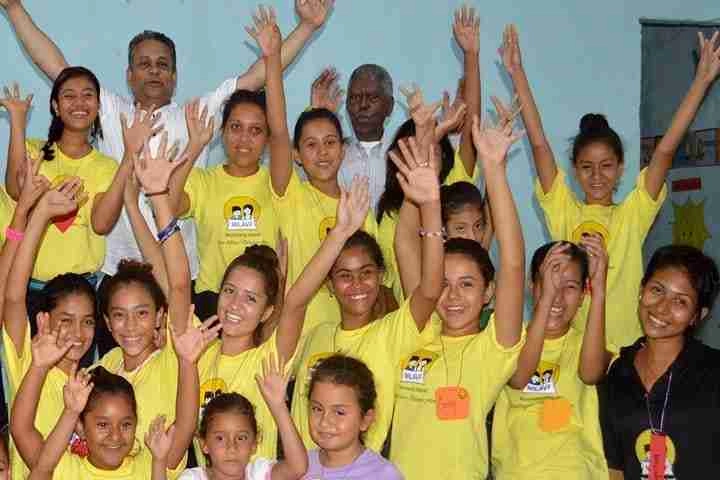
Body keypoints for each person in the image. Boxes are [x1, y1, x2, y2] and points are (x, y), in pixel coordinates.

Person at [0, 0, 334, 331]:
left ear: (174, 76)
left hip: (179, 274)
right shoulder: (110, 110)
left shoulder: (197, 113)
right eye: (144, 64)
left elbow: (257, 76)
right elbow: (59, 69)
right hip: (118, 274)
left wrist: (305, 28)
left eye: (162, 64)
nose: (154, 70)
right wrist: (14, 8)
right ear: (129, 76)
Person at [500, 25, 720, 347]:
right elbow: (539, 147)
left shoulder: (632, 214)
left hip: (623, 349)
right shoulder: (564, 211)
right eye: (587, 168)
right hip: (571, 351)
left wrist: (701, 81)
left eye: (606, 167)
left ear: (620, 170)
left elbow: (665, 151)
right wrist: (517, 72)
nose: (597, 176)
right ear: (575, 171)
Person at [389, 115, 525, 480]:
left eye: (467, 284)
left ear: (488, 293)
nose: (452, 296)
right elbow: (404, 242)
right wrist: (422, 185)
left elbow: (512, 264)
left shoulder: (492, 349)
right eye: (444, 283)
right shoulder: (419, 328)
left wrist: (494, 168)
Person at [291, 131, 444, 452]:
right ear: (329, 285)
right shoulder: (317, 336)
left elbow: (429, 290)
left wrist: (430, 204)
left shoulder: (390, 333)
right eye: (344, 276)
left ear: (381, 277)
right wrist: (341, 231)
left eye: (366, 273)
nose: (357, 285)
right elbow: (294, 302)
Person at [261, 7, 379, 335]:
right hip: (296, 338)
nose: (322, 152)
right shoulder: (291, 194)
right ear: (297, 155)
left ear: (343, 149)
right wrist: (272, 60)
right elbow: (279, 129)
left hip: (349, 338)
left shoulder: (357, 204)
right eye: (310, 145)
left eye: (330, 142)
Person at [1, 72, 127, 328]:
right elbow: (15, 189)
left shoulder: (106, 166)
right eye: (69, 96)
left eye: (88, 95)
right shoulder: (34, 151)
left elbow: (102, 225)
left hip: (81, 294)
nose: (79, 103)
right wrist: (17, 122)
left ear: (98, 105)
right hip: (31, 289)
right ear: (56, 106)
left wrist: (130, 157)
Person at [491, 238, 613, 479]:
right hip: (516, 473)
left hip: (575, 471)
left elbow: (590, 374)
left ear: (582, 294)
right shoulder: (508, 340)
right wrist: (545, 300)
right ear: (531, 286)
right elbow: (517, 377)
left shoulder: (589, 343)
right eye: (548, 283)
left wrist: (599, 292)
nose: (556, 295)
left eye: (569, 287)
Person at [600, 245, 720, 480]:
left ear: (698, 315)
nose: (662, 308)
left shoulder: (714, 370)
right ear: (641, 289)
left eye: (680, 302)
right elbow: (615, 467)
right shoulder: (617, 371)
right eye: (657, 290)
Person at [1, 173, 90, 480]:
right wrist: (38, 215)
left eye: (87, 322)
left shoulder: (94, 378)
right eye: (66, 320)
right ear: (43, 320)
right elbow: (14, 294)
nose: (78, 333)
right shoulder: (29, 358)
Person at [166, 91, 279, 320]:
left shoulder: (279, 185)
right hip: (212, 303)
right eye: (236, 127)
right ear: (222, 131)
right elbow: (167, 208)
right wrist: (195, 145)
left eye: (255, 130)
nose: (244, 138)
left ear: (268, 138)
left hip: (264, 307)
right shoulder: (203, 181)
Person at [178, 355, 307, 480]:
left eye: (241, 438)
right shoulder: (193, 477)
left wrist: (279, 407)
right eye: (220, 438)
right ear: (204, 444)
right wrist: (160, 462)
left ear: (254, 444)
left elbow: (298, 468)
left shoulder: (258, 473)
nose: (232, 447)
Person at [303, 354, 403, 479]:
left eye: (339, 412)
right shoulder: (299, 467)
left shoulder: (383, 475)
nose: (324, 422)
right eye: (317, 409)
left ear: (365, 419)